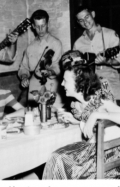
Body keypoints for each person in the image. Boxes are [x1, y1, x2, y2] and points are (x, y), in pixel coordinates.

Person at [43, 50, 120, 179]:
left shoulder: (100, 98)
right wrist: (78, 121)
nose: (61, 84)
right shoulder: (77, 104)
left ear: (78, 82)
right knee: (56, 157)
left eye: (65, 81)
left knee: (59, 160)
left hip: (108, 155)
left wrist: (95, 115)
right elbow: (90, 124)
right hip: (94, 149)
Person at [73, 6, 120, 104]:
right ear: (78, 23)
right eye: (81, 20)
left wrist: (107, 61)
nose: (85, 22)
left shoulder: (110, 34)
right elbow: (75, 68)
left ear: (93, 14)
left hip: (110, 83)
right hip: (89, 87)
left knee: (113, 113)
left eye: (87, 17)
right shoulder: (78, 43)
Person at [18, 9, 63, 108]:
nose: (41, 29)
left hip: (51, 83)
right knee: (33, 113)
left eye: (43, 25)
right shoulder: (30, 47)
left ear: (47, 24)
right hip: (34, 84)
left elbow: (57, 65)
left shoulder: (56, 43)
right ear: (33, 26)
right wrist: (24, 77)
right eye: (37, 26)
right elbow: (23, 67)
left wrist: (50, 71)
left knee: (52, 113)